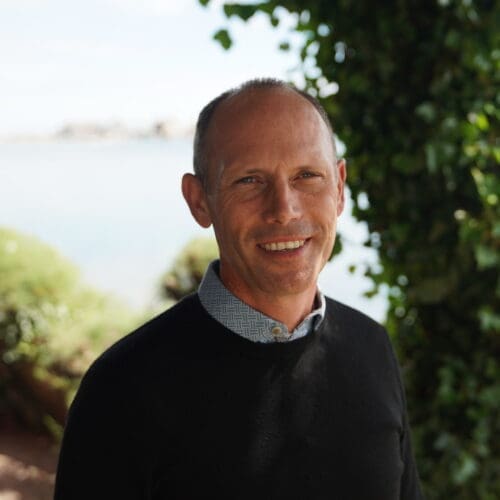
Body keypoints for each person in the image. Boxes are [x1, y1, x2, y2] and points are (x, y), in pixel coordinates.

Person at [54, 78, 423, 499]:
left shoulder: (371, 346)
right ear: (199, 200)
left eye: (307, 175)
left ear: (339, 188)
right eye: (249, 180)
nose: (284, 209)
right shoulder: (122, 389)